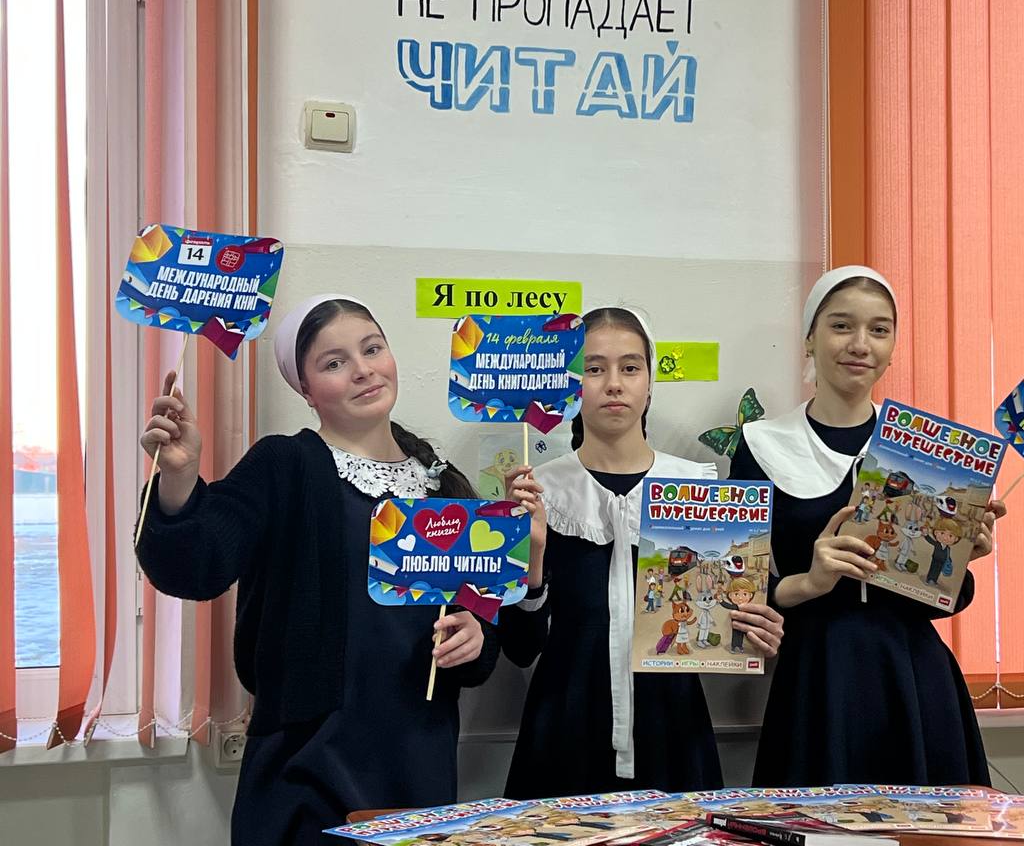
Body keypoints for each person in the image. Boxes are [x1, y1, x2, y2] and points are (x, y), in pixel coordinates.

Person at [135, 295, 500, 845]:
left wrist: (475, 635)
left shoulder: (442, 484)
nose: (363, 370)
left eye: (372, 349)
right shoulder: (284, 464)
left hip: (418, 763)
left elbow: (481, 639)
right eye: (334, 362)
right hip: (307, 769)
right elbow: (195, 569)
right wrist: (179, 480)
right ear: (305, 389)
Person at [729, 267, 1006, 787]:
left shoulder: (925, 455)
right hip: (818, 679)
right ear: (809, 338)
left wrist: (956, 559)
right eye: (841, 326)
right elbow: (738, 590)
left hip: (914, 679)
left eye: (879, 330)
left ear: (893, 347)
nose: (860, 344)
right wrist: (809, 582)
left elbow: (940, 601)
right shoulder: (763, 445)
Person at [499, 307, 785, 798]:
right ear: (571, 385)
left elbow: (728, 613)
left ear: (650, 384)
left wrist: (756, 626)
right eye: (593, 368)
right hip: (565, 727)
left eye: (630, 367)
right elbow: (521, 649)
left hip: (671, 727)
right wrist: (533, 557)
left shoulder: (698, 490)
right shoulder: (538, 494)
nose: (614, 384)